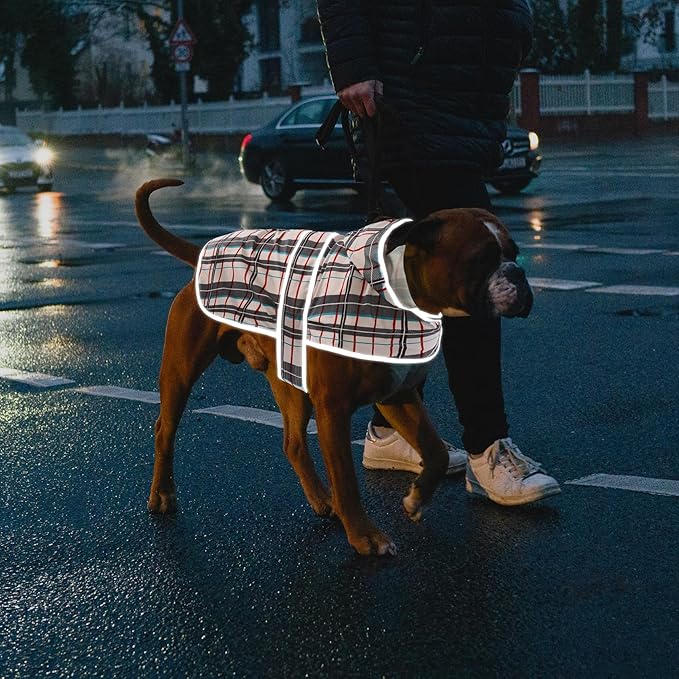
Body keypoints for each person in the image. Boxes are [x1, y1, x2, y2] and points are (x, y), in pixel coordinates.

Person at [317, 0, 560, 505]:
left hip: (467, 106)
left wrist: (515, 29)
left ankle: (390, 431)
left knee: (410, 282)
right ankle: (487, 448)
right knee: (472, 274)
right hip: (411, 102)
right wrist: (354, 66)